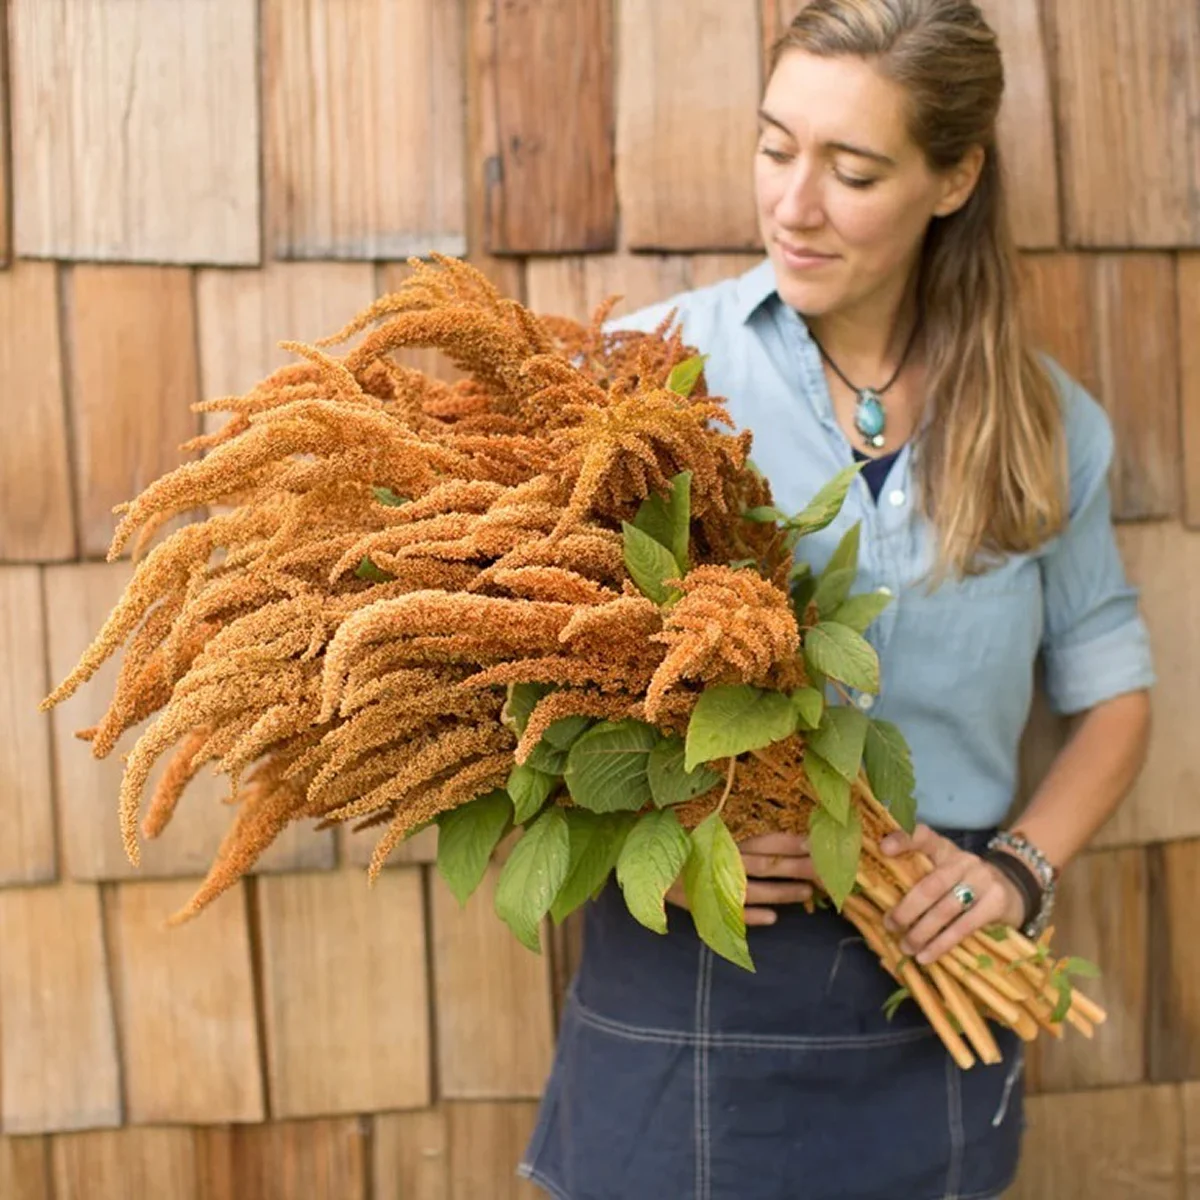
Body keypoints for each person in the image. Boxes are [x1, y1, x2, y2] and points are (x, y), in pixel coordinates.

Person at [517, 2, 1155, 1197]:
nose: (794, 205)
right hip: (693, 972)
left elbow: (1114, 693)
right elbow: (519, 679)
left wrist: (1018, 869)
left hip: (935, 972)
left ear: (953, 177)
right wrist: (651, 840)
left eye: (852, 170)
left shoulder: (1046, 426)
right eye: (776, 148)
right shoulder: (646, 383)